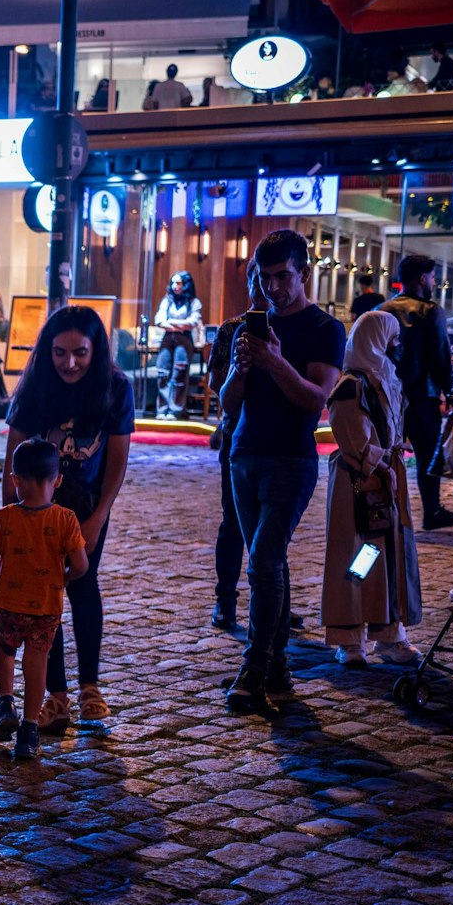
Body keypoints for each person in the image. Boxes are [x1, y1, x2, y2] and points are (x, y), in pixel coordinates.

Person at [221, 231, 346, 710]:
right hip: (244, 454)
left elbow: (316, 401)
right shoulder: (249, 328)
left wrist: (275, 362)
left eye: (282, 276)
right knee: (270, 563)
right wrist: (241, 368)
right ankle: (277, 668)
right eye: (264, 277)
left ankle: (254, 668)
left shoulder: (324, 329)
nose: (272, 287)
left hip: (291, 460)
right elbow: (228, 404)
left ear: (304, 273)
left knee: (263, 561)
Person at [2, 305, 134, 730]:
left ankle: (90, 686)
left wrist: (98, 518)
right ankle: (56, 696)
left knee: (83, 584)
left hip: (88, 505)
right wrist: (11, 516)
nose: (70, 363)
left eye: (80, 352)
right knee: (45, 594)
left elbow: (117, 460)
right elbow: (14, 454)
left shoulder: (116, 387)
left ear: (96, 351)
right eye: (60, 352)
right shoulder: (36, 383)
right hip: (38, 506)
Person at [0, 439, 89, 761]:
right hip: (46, 605)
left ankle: (5, 704)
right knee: (37, 662)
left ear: (15, 479)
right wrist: (65, 577)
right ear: (58, 480)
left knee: (5, 651)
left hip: (9, 603)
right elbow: (81, 564)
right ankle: (29, 730)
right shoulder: (66, 519)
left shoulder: (5, 517)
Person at [322, 312, 422, 666]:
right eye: (392, 338)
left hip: (386, 478)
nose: (397, 345)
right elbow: (353, 438)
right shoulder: (351, 385)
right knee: (358, 557)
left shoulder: (385, 378)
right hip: (359, 484)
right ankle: (349, 639)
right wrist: (380, 465)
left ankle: (389, 634)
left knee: (387, 555)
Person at [381, 256, 453, 531]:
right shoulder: (431, 311)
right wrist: (451, 392)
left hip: (388, 395)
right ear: (421, 279)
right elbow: (441, 355)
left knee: (385, 454)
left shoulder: (382, 309)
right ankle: (432, 510)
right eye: (432, 277)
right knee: (428, 456)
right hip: (422, 397)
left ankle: (381, 510)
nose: (433, 283)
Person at [209, 267, 270, 629]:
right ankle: (225, 599)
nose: (264, 287)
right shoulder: (232, 329)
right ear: (249, 283)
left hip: (277, 437)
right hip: (237, 433)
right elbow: (217, 382)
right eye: (257, 279)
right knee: (232, 522)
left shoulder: (288, 328)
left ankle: (272, 601)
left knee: (272, 527)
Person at [151, 271, 204, 418]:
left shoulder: (193, 302)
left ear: (185, 285)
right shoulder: (167, 300)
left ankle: (175, 410)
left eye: (178, 283)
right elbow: (159, 320)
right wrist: (179, 326)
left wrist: (171, 322)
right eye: (173, 283)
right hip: (168, 338)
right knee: (162, 372)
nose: (175, 286)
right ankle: (162, 409)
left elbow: (192, 322)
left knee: (179, 373)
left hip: (184, 340)